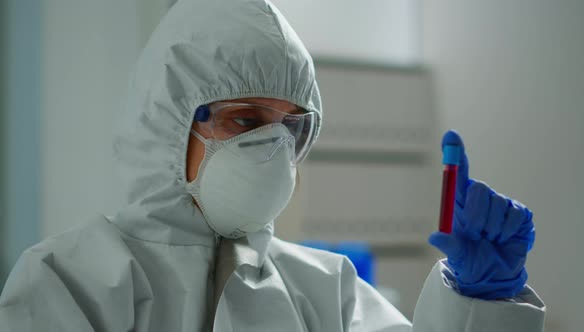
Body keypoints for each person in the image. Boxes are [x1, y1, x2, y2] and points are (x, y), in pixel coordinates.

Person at [0, 0, 545, 331]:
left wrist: (478, 302)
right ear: (167, 124)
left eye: (291, 127)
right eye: (244, 121)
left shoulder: (328, 289)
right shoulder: (68, 281)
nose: (273, 150)